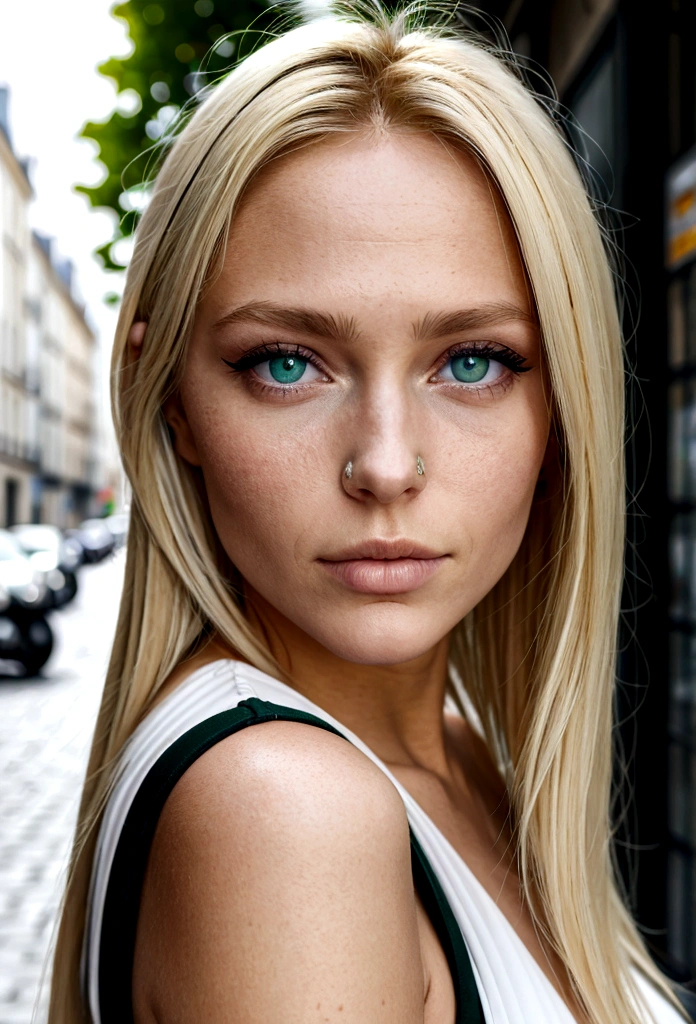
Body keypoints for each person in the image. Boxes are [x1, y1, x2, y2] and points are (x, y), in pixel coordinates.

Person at [48, 5, 693, 1023]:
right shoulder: (285, 813)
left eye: (472, 362)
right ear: (172, 401)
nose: (386, 466)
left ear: (562, 399)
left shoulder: (463, 750)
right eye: (288, 363)